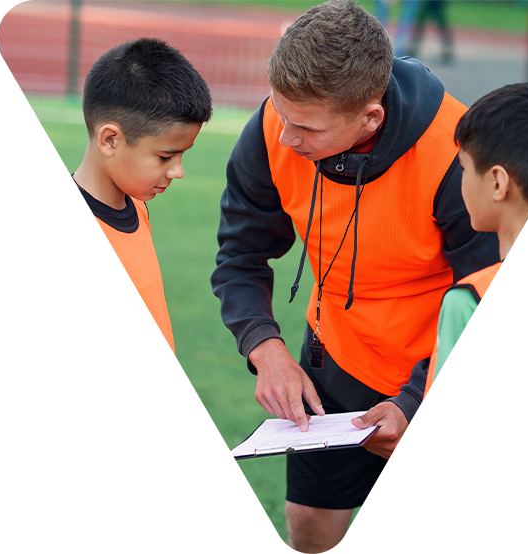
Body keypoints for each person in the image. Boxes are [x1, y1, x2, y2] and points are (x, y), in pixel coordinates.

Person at [211, 1, 499, 552]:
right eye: (280, 115)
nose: (285, 139)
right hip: (338, 355)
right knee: (310, 525)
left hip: (445, 366)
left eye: (306, 128)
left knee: (460, 538)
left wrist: (413, 402)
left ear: (370, 117)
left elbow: (490, 308)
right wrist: (265, 348)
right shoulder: (275, 127)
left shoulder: (457, 156)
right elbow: (240, 256)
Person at [0, 38, 212, 553]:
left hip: (126, 479)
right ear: (110, 139)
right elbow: (25, 370)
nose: (177, 171)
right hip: (86, 499)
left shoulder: (134, 209)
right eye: (166, 155)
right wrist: (14, 470)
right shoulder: (68, 247)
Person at [402, 83, 528, 554]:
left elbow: (464, 457)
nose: (459, 183)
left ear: (497, 182)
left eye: (462, 170)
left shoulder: (476, 301)